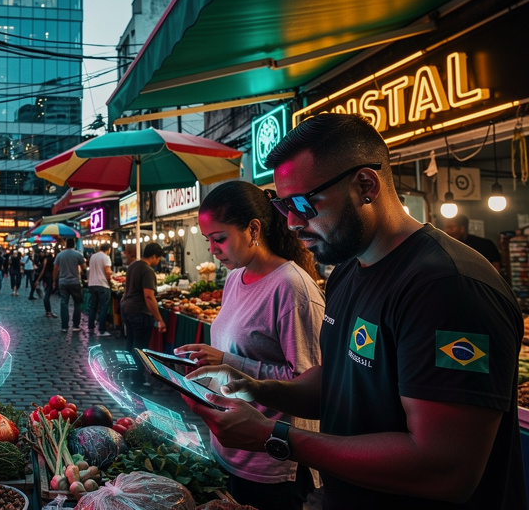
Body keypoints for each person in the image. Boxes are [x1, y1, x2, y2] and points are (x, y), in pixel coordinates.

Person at [186, 113, 525, 510]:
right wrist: (254, 388)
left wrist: (275, 437)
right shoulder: (349, 271)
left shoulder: (447, 286)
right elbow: (339, 381)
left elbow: (444, 468)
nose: (291, 222)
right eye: (282, 205)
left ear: (365, 185)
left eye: (303, 203)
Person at [175, 180, 324, 510]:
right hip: (228, 448)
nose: (212, 250)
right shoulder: (234, 279)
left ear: (253, 229)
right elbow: (234, 357)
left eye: (219, 238)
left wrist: (226, 361)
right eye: (208, 240)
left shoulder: (291, 288)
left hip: (271, 461)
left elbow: (308, 384)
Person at [121, 242, 167, 385]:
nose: (158, 261)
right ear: (154, 256)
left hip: (126, 308)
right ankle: (137, 379)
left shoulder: (133, 265)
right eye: (158, 258)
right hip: (139, 311)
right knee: (139, 347)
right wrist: (159, 319)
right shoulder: (147, 270)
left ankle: (127, 372)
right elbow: (149, 296)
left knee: (131, 343)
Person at [53, 238, 86, 332]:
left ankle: (64, 326)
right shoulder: (78, 254)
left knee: (64, 303)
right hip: (75, 282)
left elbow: (55, 269)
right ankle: (76, 325)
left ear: (66, 245)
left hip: (63, 282)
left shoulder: (59, 255)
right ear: (74, 245)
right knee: (77, 303)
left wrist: (54, 281)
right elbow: (84, 267)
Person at [87, 243, 114, 336]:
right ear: (108, 249)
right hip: (102, 284)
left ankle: (90, 327)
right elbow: (107, 271)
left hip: (92, 284)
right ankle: (102, 330)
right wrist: (109, 280)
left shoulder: (93, 256)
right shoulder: (106, 257)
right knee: (103, 307)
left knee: (93, 307)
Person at [36, 251, 56, 318]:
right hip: (51, 279)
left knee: (46, 296)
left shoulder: (46, 261)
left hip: (47, 279)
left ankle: (48, 312)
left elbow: (43, 270)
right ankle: (48, 311)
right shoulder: (54, 261)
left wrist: (38, 280)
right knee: (47, 295)